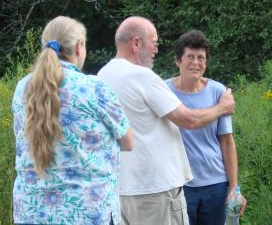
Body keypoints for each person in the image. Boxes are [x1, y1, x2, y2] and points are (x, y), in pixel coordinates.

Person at [97, 16, 234, 225]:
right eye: (154, 43)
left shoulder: (102, 76)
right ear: (136, 43)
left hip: (122, 189)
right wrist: (222, 108)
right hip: (156, 191)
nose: (156, 50)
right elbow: (188, 120)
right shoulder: (143, 76)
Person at [12, 15, 132, 225]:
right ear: (79, 47)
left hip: (31, 212)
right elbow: (128, 141)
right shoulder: (95, 88)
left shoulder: (23, 88)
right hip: (87, 214)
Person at [165, 30, 247, 225]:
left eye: (201, 58)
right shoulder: (164, 90)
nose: (196, 63)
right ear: (178, 61)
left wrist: (234, 188)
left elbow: (227, 142)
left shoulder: (218, 91)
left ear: (206, 63)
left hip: (216, 185)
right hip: (179, 185)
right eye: (190, 57)